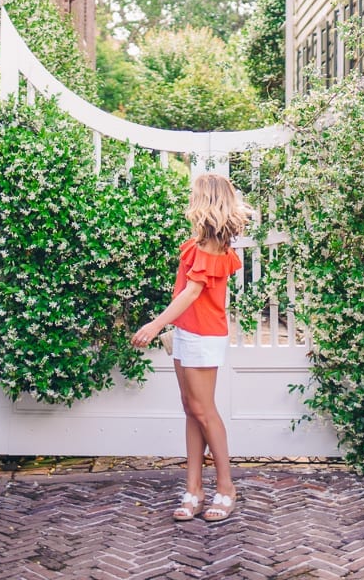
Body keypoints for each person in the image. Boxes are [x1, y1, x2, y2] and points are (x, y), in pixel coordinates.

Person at [131, 171, 251, 524]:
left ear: (206, 200)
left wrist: (155, 325)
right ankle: (194, 489)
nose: (189, 200)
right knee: (191, 408)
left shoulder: (213, 246)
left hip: (202, 336)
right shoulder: (196, 242)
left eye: (194, 194)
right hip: (187, 333)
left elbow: (192, 293)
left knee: (204, 410)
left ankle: (226, 487)